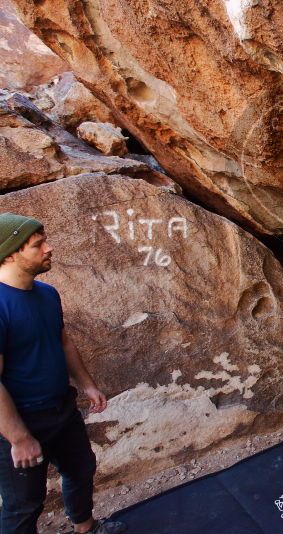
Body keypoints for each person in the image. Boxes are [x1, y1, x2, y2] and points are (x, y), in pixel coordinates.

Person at [0, 213, 126, 534]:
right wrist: (19, 437)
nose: (49, 248)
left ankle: (86, 528)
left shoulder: (46, 293)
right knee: (24, 504)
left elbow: (62, 340)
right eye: (38, 244)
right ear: (10, 253)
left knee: (81, 469)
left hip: (61, 409)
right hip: (21, 421)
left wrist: (87, 384)